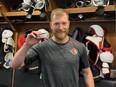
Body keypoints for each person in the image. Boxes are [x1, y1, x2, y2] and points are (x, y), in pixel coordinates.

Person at [11, 8, 95, 87]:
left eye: (64, 23)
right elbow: (14, 65)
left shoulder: (79, 46)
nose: (61, 28)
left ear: (69, 24)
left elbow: (87, 72)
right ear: (51, 25)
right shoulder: (41, 47)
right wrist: (26, 45)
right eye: (56, 24)